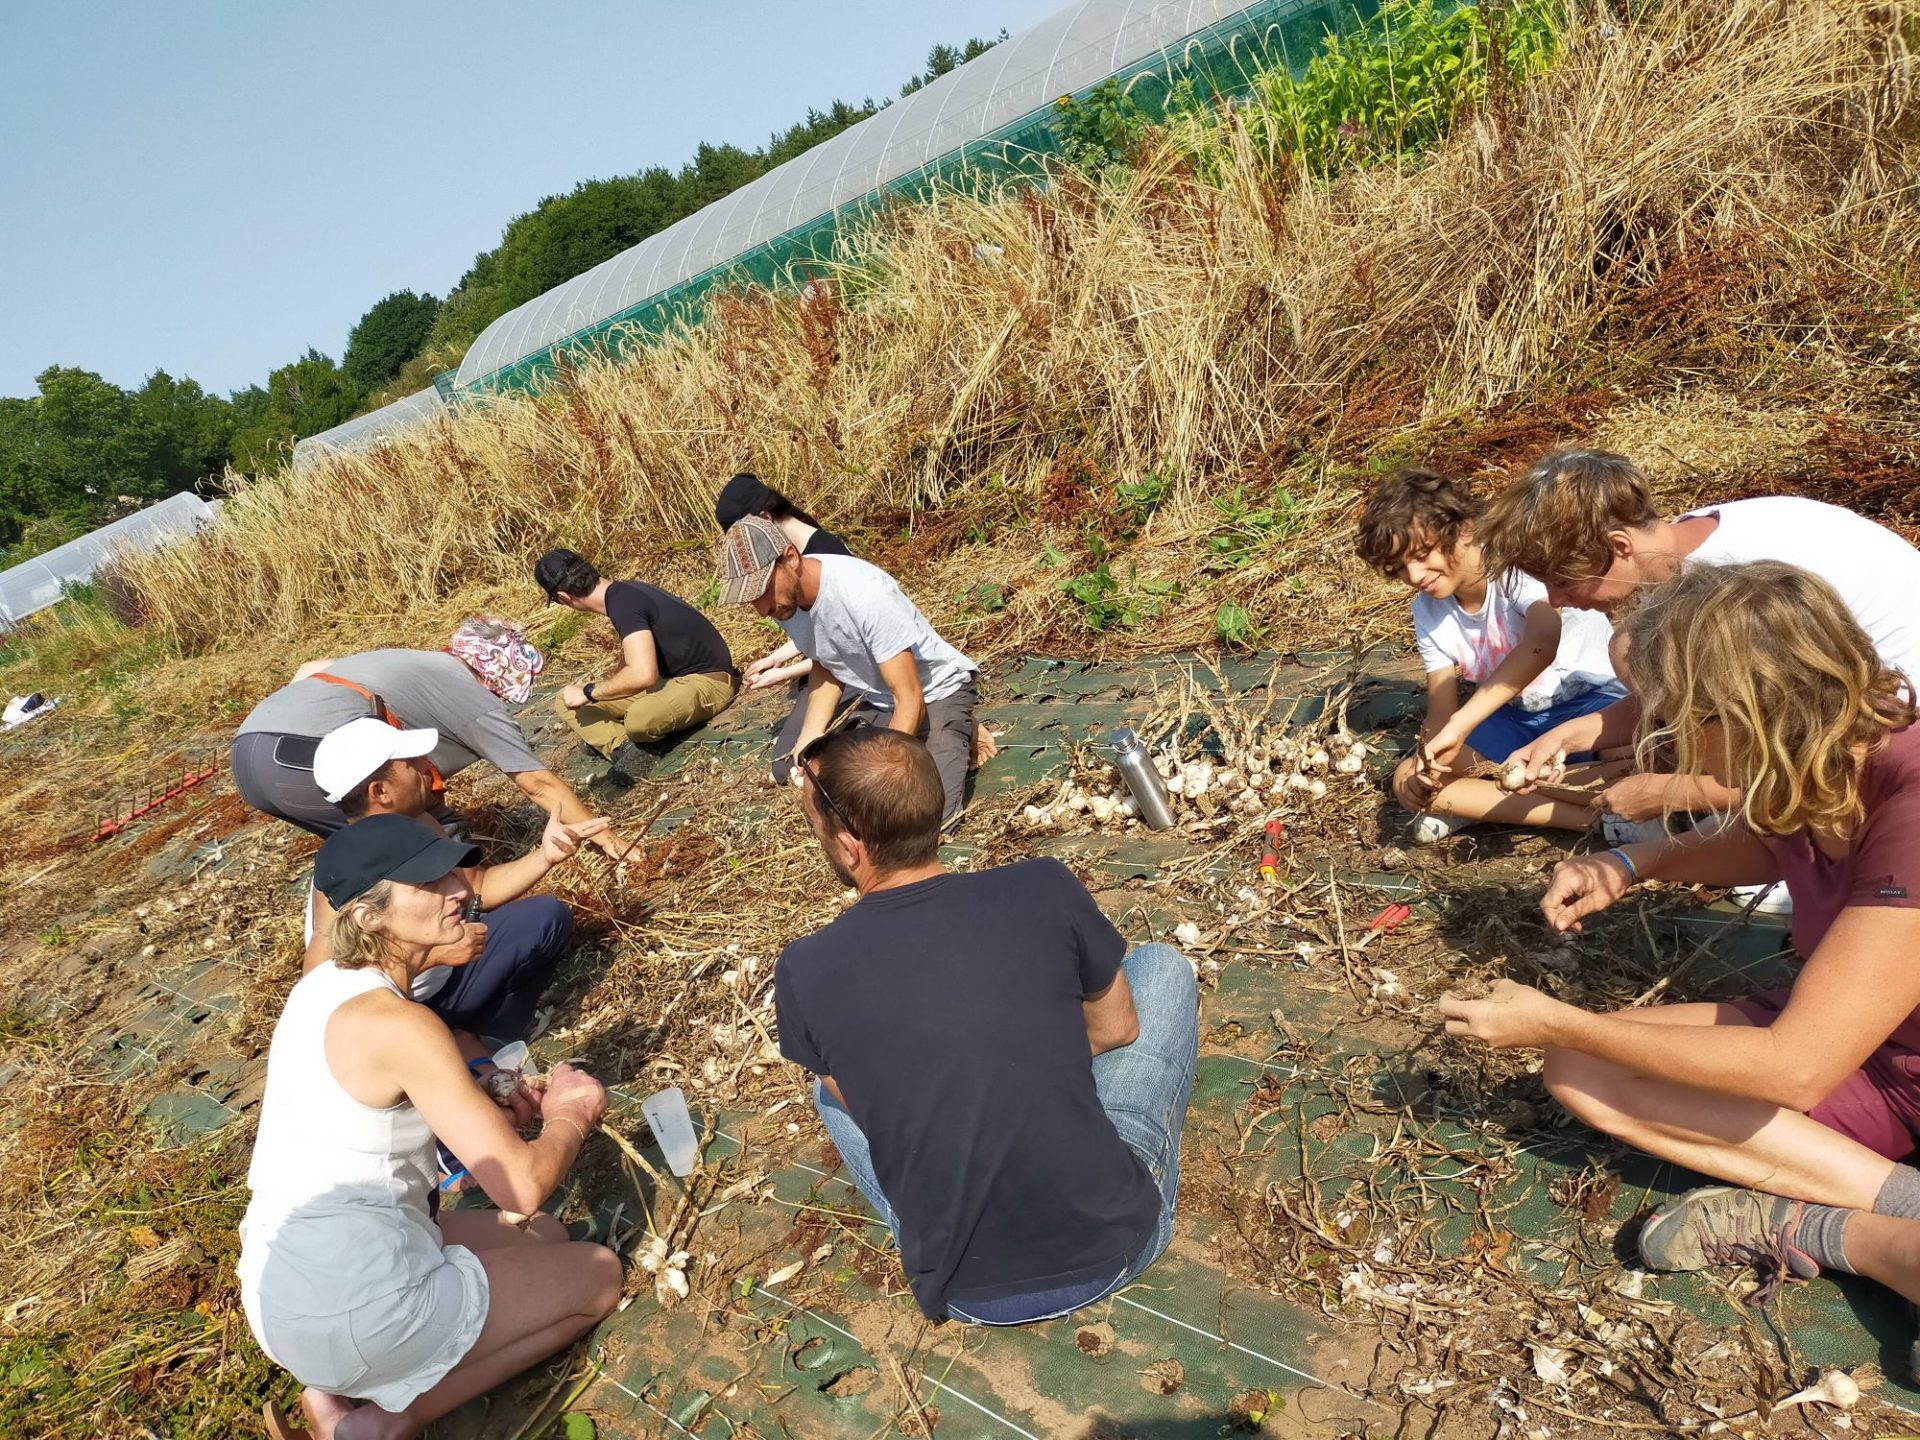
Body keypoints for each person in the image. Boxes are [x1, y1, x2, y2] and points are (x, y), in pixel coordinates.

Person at [1438, 562, 1920, 1347]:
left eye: (1675, 720)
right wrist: (1631, 864)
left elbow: (1795, 1067)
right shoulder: (1823, 758)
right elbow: (1773, 835)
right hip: (1867, 1049)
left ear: (1747, 712)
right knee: (1581, 1069)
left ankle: (1846, 1223)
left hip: (1848, 1055)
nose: (1660, 745)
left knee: (1579, 1047)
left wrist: (1561, 1019)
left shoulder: (1913, 799)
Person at [772, 727, 1198, 1324]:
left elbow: (871, 1103)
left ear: (849, 848)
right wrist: (1027, 1048)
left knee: (827, 1088)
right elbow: (1116, 1029)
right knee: (1162, 966)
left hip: (963, 1287)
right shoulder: (1042, 885)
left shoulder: (803, 967)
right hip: (1116, 1247)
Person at [239, 814, 621, 1440]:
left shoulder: (320, 988)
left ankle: (334, 1386)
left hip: (281, 1294)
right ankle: (386, 1421)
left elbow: (379, 1098)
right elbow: (521, 1185)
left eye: (450, 870)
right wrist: (570, 1116)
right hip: (362, 1308)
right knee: (597, 1274)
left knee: (545, 1236)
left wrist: (478, 1095)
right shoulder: (402, 1023)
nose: (459, 889)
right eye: (429, 883)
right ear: (369, 916)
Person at [1480, 449, 1920, 822]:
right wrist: (1566, 736)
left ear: (1619, 546)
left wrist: (1680, 792)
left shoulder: (1733, 589)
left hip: (1892, 730)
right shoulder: (1691, 543)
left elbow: (1819, 752)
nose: (1556, 601)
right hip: (1857, 702)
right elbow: (1691, 699)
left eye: (1565, 581)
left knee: (1632, 652)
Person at [302, 717, 607, 1053]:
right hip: (398, 1015)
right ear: (381, 792)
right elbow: (323, 987)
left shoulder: (421, 823)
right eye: (411, 763)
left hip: (448, 981)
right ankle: (451, 1052)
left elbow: (476, 887)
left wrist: (545, 856)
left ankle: (489, 1040)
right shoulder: (347, 873)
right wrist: (436, 956)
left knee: (546, 917)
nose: (426, 767)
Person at [1355, 467, 1626, 843]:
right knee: (1410, 778)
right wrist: (1429, 763)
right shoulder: (1427, 611)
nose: (1414, 574)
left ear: (1464, 529)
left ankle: (1494, 798)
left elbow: (1541, 644)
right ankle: (1596, 821)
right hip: (1519, 723)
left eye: (1421, 554)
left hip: (1594, 705)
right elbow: (1441, 709)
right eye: (1399, 567)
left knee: (1632, 756)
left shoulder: (1515, 566)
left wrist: (1462, 724)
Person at [233, 617, 626, 859]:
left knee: (367, 848)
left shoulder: (413, 661)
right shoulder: (474, 699)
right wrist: (608, 839)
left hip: (249, 753)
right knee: (429, 831)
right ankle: (467, 917)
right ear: (496, 674)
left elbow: (308, 668)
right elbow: (538, 784)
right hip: (297, 764)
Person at [717, 515, 981, 822]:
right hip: (880, 697)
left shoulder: (863, 594)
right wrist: (809, 736)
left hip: (934, 692)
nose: (762, 610)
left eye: (762, 591)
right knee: (796, 769)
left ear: (790, 558)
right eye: (751, 600)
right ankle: (946, 733)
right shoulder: (785, 600)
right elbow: (826, 662)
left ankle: (957, 723)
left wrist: (882, 772)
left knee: (923, 818)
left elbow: (910, 699)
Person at [713, 473, 856, 780]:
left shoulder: (824, 561)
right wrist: (775, 658)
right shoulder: (789, 561)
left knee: (794, 763)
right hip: (823, 670)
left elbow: (839, 646)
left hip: (848, 671)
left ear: (764, 520)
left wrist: (784, 673)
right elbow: (814, 634)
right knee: (784, 765)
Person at [533, 548, 738, 761]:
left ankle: (623, 740)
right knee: (564, 700)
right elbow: (630, 662)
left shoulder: (624, 603)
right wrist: (599, 693)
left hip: (709, 682)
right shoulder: (623, 593)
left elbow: (643, 675)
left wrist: (589, 692)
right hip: (670, 682)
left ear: (564, 597)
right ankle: (623, 749)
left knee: (639, 719)